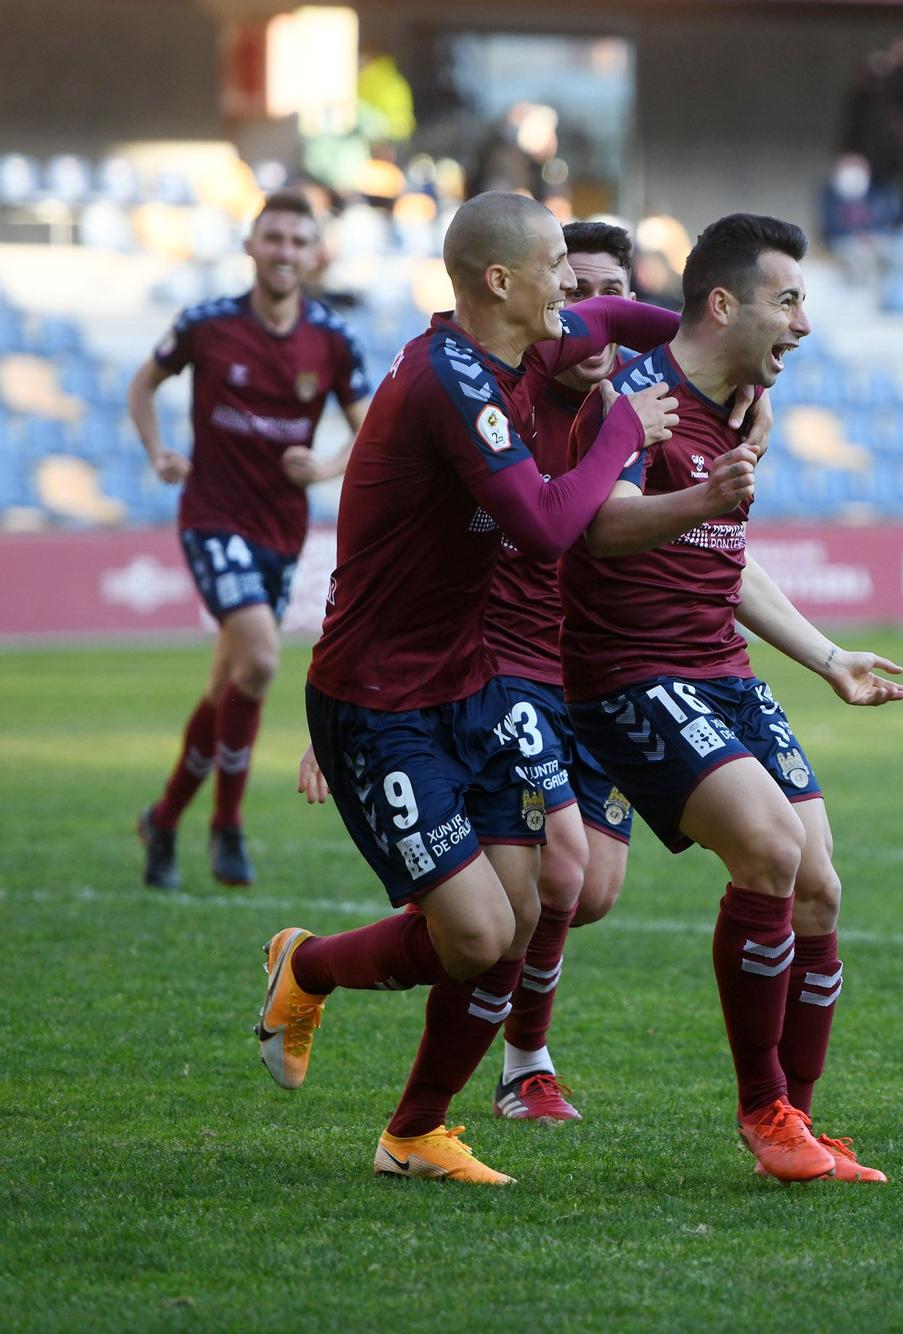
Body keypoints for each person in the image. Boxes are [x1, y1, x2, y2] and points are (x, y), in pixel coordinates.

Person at [254, 191, 694, 1186]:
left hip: (475, 681)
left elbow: (623, 319)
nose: (573, 290)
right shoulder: (450, 380)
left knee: (538, 893)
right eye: (555, 269)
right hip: (379, 699)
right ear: (501, 281)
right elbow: (545, 524)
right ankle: (308, 966)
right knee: (477, 930)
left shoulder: (520, 341)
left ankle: (415, 1131)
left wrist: (713, 337)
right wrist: (624, 429)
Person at [562, 213, 903, 1183]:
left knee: (819, 885)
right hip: (630, 673)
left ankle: (796, 1118)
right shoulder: (634, 397)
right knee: (767, 847)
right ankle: (763, 1112)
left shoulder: (741, 404)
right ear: (724, 302)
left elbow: (727, 557)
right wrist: (704, 499)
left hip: (722, 671)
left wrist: (828, 654)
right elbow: (602, 527)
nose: (801, 324)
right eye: (788, 300)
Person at [478, 220, 772, 1123]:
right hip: (514, 668)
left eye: (607, 302)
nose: (590, 329)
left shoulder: (653, 406)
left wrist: (757, 368)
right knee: (550, 883)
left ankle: (433, 949)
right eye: (574, 299)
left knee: (590, 890)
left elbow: (691, 328)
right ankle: (524, 1063)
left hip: (606, 667)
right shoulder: (511, 406)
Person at [129, 191, 371, 891]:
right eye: (274, 238)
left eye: (299, 240)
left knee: (228, 682)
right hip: (211, 515)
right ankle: (228, 827)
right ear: (251, 246)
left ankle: (164, 819)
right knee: (262, 661)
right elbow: (143, 385)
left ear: (313, 253)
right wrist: (157, 451)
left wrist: (322, 466)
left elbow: (369, 429)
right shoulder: (207, 325)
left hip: (281, 529)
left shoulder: (330, 337)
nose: (286, 251)